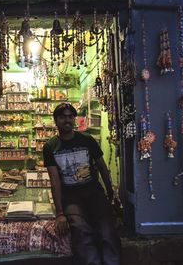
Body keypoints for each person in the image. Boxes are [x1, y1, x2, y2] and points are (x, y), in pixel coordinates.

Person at [43, 103, 121, 265]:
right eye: (62, 117)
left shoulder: (87, 140)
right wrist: (59, 213)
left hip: (94, 193)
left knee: (106, 228)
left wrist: (110, 192)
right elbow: (55, 180)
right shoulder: (50, 147)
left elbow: (102, 167)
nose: (67, 120)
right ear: (56, 121)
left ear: (75, 119)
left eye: (70, 116)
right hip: (71, 198)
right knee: (80, 229)